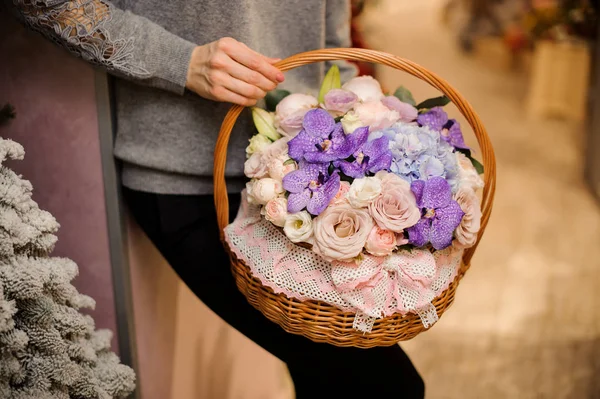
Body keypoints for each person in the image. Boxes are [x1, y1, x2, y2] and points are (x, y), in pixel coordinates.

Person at [8, 0, 425, 397]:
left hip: (313, 176)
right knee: (383, 384)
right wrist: (182, 62)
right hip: (190, 183)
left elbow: (329, 31)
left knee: (327, 375)